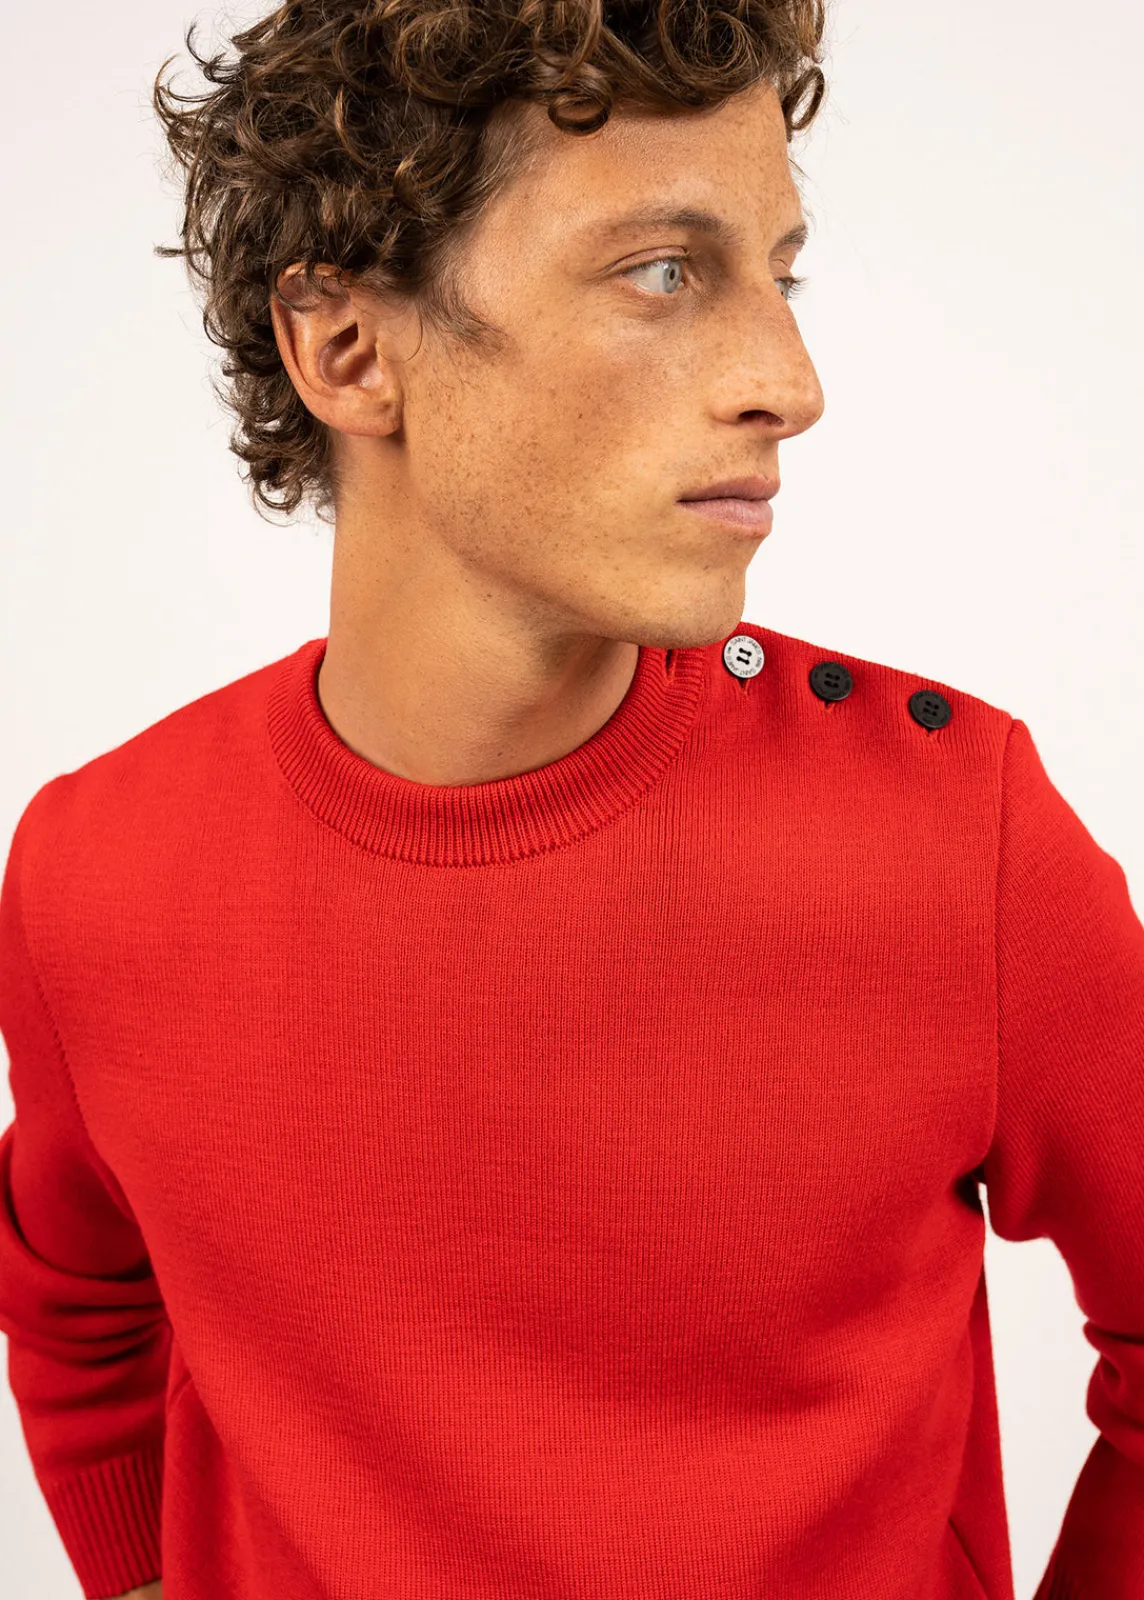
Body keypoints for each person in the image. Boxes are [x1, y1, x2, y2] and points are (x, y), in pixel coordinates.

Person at [2, 3, 1142, 1597]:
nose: (789, 381)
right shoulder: (97, 875)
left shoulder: (960, 833)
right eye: (664, 272)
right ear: (346, 349)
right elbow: (75, 1300)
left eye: (781, 272)